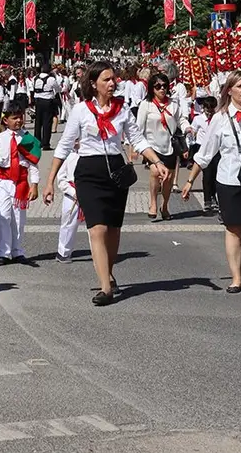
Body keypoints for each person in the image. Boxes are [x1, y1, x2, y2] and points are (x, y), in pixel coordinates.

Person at [44, 61, 170, 306]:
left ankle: (108, 272)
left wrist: (156, 161)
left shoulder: (122, 110)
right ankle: (105, 287)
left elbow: (137, 139)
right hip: (89, 172)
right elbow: (64, 146)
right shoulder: (81, 111)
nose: (113, 83)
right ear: (94, 84)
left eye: (114, 79)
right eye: (106, 79)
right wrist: (50, 182)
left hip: (115, 171)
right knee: (97, 229)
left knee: (113, 230)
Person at [180, 71, 241, 293]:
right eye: (240, 86)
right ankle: (236, 277)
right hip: (229, 180)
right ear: (229, 90)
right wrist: (189, 180)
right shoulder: (220, 118)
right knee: (233, 229)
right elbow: (206, 153)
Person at [0, 101, 41, 265]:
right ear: (6, 120)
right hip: (3, 181)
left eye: (20, 117)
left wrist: (34, 184)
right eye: (14, 118)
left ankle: (17, 250)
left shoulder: (28, 139)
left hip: (20, 182)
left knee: (18, 218)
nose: (18, 121)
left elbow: (33, 164)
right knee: (2, 216)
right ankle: (2, 252)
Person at [137, 72, 190, 220]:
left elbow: (181, 120)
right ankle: (153, 203)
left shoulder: (173, 104)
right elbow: (139, 127)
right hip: (152, 146)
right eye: (158, 86)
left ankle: (164, 205)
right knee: (155, 173)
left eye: (165, 86)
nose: (162, 89)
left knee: (168, 178)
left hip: (170, 146)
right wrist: (138, 148)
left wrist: (187, 128)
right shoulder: (145, 105)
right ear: (152, 88)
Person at [189, 96, 218, 214]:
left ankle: (213, 197)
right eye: (207, 110)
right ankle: (207, 200)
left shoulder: (217, 119)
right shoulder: (198, 119)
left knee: (215, 175)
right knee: (207, 174)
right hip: (202, 148)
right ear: (203, 108)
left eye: (212, 110)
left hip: (215, 148)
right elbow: (193, 131)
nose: (210, 113)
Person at [54, 141, 82, 263]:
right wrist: (73, 192)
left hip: (90, 193)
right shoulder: (68, 156)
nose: (76, 142)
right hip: (72, 193)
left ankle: (99, 252)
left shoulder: (92, 155)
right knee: (68, 222)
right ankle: (63, 252)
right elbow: (61, 179)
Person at [30, 64, 59, 149]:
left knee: (38, 122)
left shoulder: (35, 78)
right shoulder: (51, 79)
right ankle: (45, 143)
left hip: (38, 100)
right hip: (47, 100)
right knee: (47, 122)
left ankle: (37, 142)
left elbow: (32, 89)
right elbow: (57, 89)